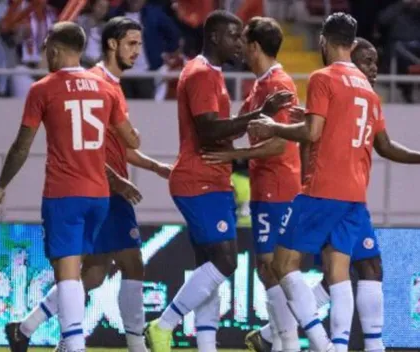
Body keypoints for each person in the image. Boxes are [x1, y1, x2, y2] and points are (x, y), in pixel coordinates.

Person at [2, 17, 171, 352]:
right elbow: (83, 150)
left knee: (92, 274)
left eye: (139, 44)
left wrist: (152, 166)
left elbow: (118, 146)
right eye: (132, 44)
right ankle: (137, 346)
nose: (138, 52)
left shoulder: (109, 86)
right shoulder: (94, 82)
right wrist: (116, 179)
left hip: (100, 189)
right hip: (100, 190)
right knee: (130, 263)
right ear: (112, 44)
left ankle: (29, 328)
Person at [144, 10, 292, 352]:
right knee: (226, 261)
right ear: (214, 37)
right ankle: (162, 325)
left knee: (208, 268)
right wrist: (259, 114)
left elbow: (219, 130)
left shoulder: (211, 75)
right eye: (234, 36)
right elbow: (209, 129)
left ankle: (205, 346)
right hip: (200, 179)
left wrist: (248, 125)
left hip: (212, 178)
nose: (240, 42)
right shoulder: (200, 74)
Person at [247, 12, 375, 352]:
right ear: (352, 42)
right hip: (355, 193)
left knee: (282, 264)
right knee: (339, 271)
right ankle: (340, 345)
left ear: (323, 41)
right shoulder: (367, 87)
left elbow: (311, 133)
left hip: (323, 188)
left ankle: (321, 344)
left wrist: (273, 127)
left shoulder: (323, 77)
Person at [202, 16, 301, 352]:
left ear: (255, 46)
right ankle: (279, 339)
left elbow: (280, 144)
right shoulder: (260, 85)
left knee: (273, 267)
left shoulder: (278, 84)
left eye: (243, 39)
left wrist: (233, 155)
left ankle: (286, 341)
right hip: (265, 186)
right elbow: (240, 126)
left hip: (278, 185)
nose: (239, 46)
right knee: (268, 268)